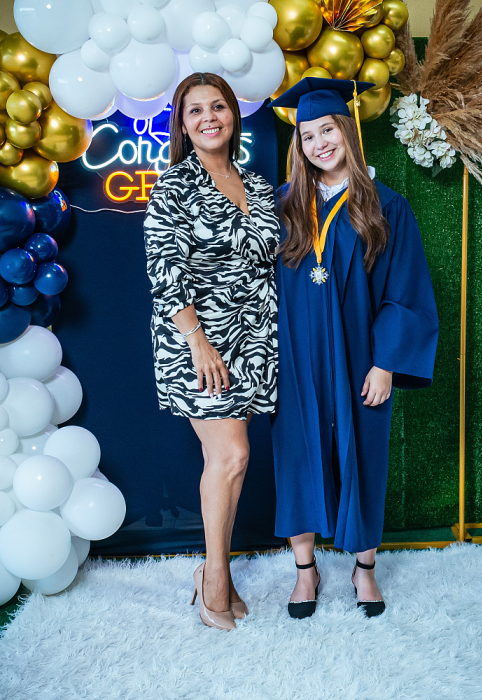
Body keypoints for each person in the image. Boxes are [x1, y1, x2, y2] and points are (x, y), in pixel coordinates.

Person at [269, 78, 439, 619]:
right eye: (308, 135)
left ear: (347, 131)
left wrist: (386, 362)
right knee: (296, 454)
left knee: (363, 454)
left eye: (328, 130)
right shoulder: (281, 206)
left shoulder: (386, 206)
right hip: (294, 359)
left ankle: (364, 568)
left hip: (361, 357)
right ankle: (305, 570)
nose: (319, 143)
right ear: (298, 145)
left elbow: (405, 290)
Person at [144, 73, 279, 631]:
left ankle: (212, 571)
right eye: (195, 110)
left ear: (233, 114)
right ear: (182, 123)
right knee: (230, 456)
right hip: (200, 343)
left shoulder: (259, 186)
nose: (209, 117)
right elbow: (164, 272)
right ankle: (215, 579)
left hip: (253, 342)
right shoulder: (173, 187)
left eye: (218, 106)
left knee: (231, 461)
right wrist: (199, 343)